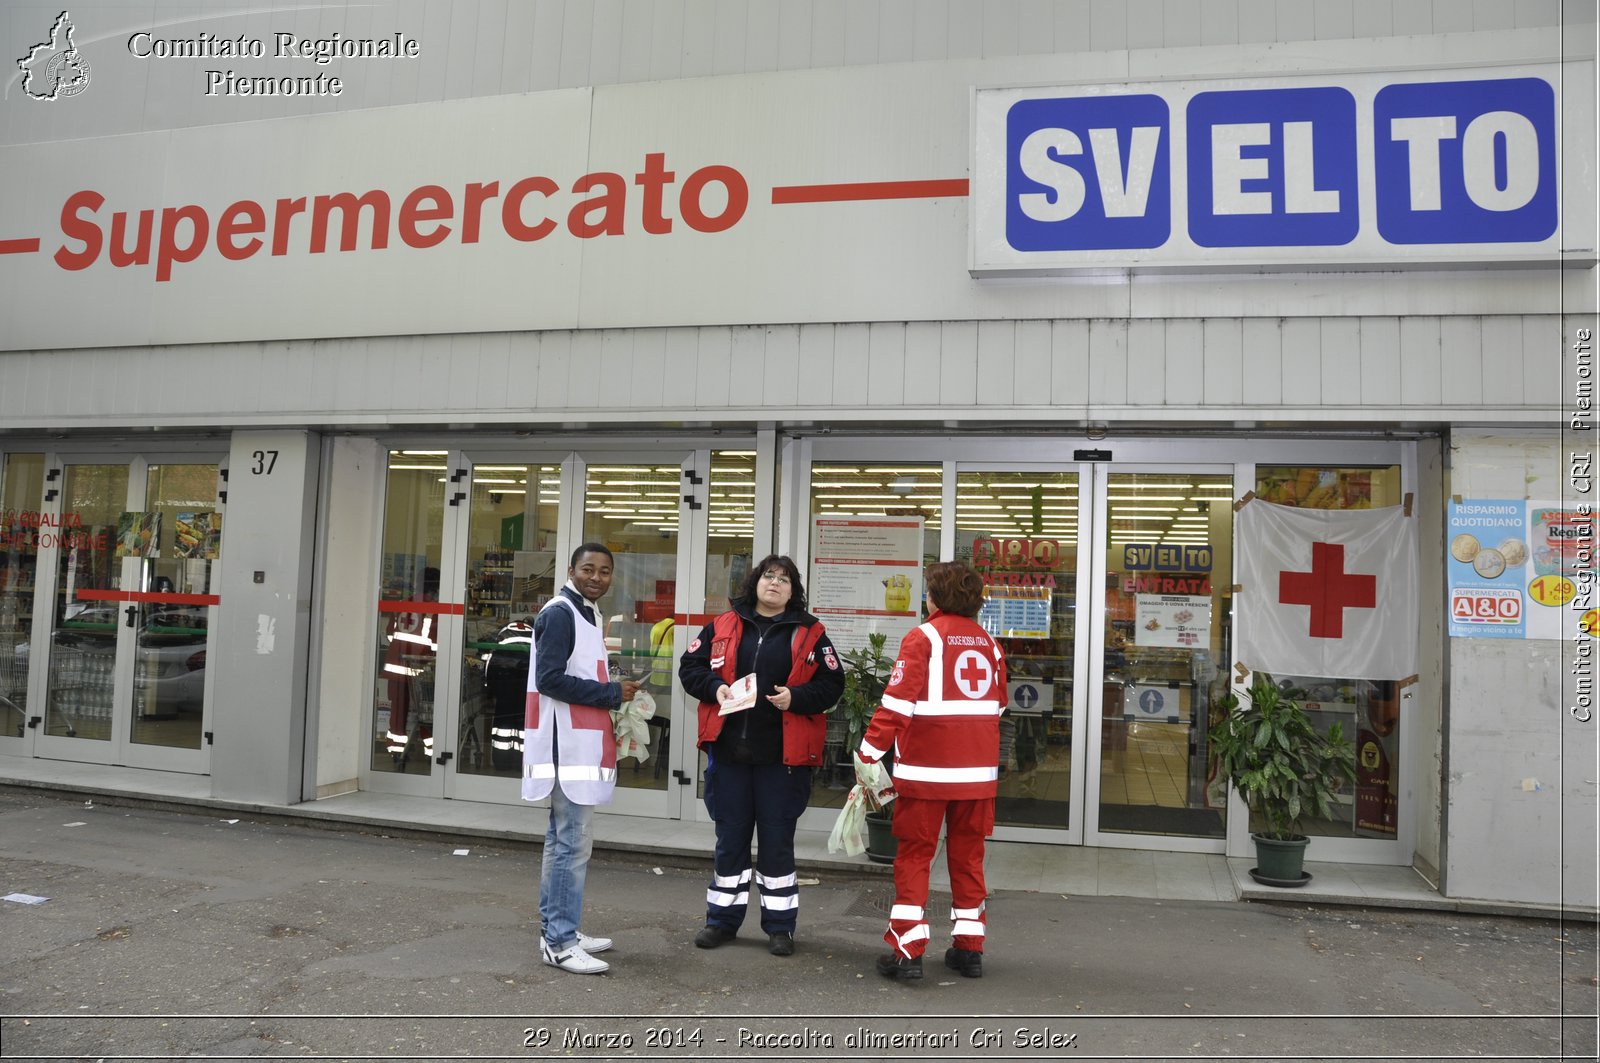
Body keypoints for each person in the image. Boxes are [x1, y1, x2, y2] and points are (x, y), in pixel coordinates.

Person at [678, 554, 844, 957]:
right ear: (755, 582)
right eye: (769, 576)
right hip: (731, 755)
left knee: (776, 843)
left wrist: (796, 698)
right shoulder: (723, 624)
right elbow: (690, 667)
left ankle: (780, 927)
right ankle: (721, 922)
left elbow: (833, 683)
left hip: (782, 762)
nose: (775, 583)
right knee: (730, 840)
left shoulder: (810, 632)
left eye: (784, 580)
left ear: (793, 590)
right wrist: (715, 688)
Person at [858, 560, 1007, 982]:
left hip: (927, 774)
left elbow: (896, 706)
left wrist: (868, 755)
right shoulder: (990, 645)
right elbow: (999, 706)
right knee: (969, 859)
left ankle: (907, 952)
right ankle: (969, 948)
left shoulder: (922, 638)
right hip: (977, 777)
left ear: (935, 598)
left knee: (915, 858)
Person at [523, 543, 641, 975]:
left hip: (575, 744)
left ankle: (558, 930)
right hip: (564, 748)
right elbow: (551, 679)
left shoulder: (586, 612)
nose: (597, 576)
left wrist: (612, 684)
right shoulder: (561, 613)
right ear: (571, 570)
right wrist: (612, 693)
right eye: (588, 569)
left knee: (563, 844)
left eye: (605, 570)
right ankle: (560, 940)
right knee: (571, 846)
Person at [382, 566, 440, 766]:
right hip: (419, 668)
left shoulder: (401, 604)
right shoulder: (433, 609)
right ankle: (432, 751)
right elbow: (435, 643)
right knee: (426, 711)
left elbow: (390, 634)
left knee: (398, 712)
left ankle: (396, 751)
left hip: (396, 665)